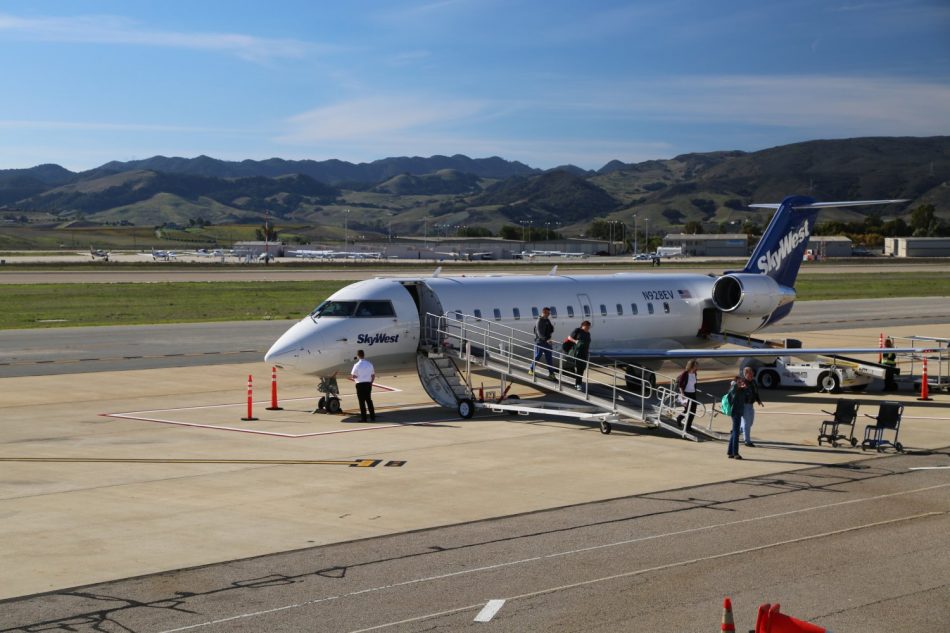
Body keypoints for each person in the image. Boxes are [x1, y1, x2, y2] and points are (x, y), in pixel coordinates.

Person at [725, 372, 750, 459]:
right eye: (739, 382)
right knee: (736, 432)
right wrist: (736, 385)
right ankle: (735, 453)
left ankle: (730, 452)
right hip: (735, 412)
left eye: (742, 382)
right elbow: (733, 395)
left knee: (735, 432)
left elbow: (748, 394)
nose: (741, 383)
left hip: (739, 412)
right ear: (735, 383)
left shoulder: (741, 390)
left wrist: (745, 387)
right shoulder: (733, 390)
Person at [528, 307, 556, 379]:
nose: (549, 315)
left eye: (549, 313)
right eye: (548, 313)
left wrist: (552, 327)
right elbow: (540, 334)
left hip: (547, 343)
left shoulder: (547, 320)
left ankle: (551, 374)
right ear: (543, 313)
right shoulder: (539, 321)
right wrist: (547, 339)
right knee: (537, 356)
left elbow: (551, 329)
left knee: (549, 358)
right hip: (540, 342)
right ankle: (531, 369)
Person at [739, 366, 764, 446]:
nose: (752, 376)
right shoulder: (742, 382)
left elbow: (755, 392)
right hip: (744, 405)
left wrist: (758, 400)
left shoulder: (753, 382)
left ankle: (740, 429)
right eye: (750, 374)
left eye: (752, 374)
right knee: (747, 423)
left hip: (751, 405)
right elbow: (737, 394)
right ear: (745, 374)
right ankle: (747, 441)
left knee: (750, 422)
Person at [350, 349, 376, 422]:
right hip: (368, 384)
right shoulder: (369, 364)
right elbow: (373, 375)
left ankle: (364, 418)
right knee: (369, 401)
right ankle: (372, 417)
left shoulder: (356, 365)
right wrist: (371, 383)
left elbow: (353, 376)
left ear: (358, 356)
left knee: (362, 402)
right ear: (364, 355)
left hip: (360, 384)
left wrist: (356, 377)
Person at [675, 359, 699, 434]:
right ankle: (679, 418)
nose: (697, 367)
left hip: (693, 394)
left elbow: (694, 383)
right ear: (691, 366)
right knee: (687, 410)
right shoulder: (685, 373)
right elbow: (680, 384)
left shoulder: (695, 373)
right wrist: (682, 394)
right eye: (695, 365)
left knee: (693, 411)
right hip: (686, 393)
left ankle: (688, 426)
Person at [566, 320, 592, 390]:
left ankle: (577, 384)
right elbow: (569, 337)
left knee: (582, 368)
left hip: (584, 353)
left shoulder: (588, 333)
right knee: (579, 368)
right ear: (583, 326)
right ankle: (578, 384)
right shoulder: (578, 330)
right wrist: (575, 341)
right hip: (577, 353)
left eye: (589, 327)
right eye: (587, 327)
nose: (588, 329)